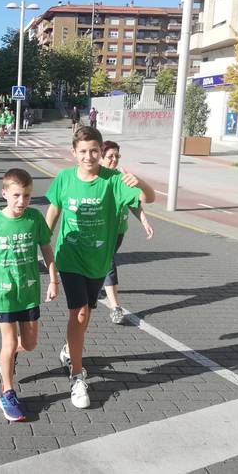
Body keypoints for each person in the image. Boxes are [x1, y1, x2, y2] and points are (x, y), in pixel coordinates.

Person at [45, 126, 155, 408]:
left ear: (100, 151)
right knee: (79, 312)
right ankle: (77, 376)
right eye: (83, 151)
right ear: (74, 152)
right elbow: (54, 211)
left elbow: (149, 198)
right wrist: (43, 245)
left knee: (87, 313)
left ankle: (70, 348)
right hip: (70, 256)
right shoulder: (64, 178)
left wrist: (141, 182)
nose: (88, 156)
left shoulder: (113, 180)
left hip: (99, 260)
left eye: (94, 151)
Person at [0, 168, 59, 421]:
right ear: (4, 193)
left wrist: (53, 280)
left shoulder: (34, 219)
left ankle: (7, 359)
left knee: (30, 344)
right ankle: (7, 392)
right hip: (4, 292)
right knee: (9, 343)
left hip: (29, 291)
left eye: (27, 196)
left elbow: (46, 249)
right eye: (16, 195)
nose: (22, 201)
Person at [100, 141, 154, 325]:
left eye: (117, 156)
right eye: (110, 156)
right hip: (100, 230)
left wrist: (144, 221)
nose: (114, 160)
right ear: (101, 157)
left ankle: (96, 284)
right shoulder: (96, 178)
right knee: (108, 262)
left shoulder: (122, 178)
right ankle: (115, 307)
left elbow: (134, 202)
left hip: (119, 231)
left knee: (105, 262)